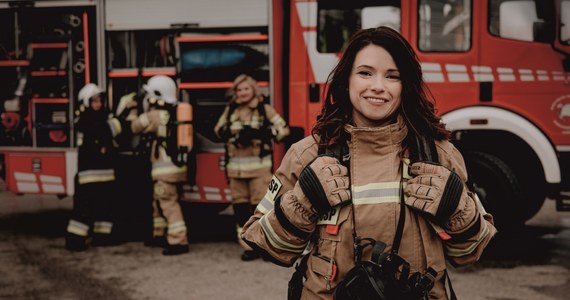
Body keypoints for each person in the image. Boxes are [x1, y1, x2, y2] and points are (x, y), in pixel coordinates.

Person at [241, 26, 497, 299]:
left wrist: (456, 209)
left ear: (405, 85)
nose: (378, 86)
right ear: (346, 80)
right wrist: (302, 203)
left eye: (392, 76)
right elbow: (268, 245)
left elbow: (470, 252)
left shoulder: (440, 156)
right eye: (365, 73)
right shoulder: (307, 156)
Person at [213, 74, 290, 261]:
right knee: (240, 210)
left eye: (246, 89)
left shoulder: (264, 109)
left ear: (253, 90)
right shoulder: (230, 110)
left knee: (262, 210)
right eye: (239, 90)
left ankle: (265, 246)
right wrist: (229, 133)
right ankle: (248, 246)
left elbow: (284, 130)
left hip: (259, 170)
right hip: (235, 171)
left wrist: (262, 133)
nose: (242, 93)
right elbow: (217, 130)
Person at [129, 75, 191, 256]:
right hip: (177, 168)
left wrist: (133, 109)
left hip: (163, 170)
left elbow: (134, 127)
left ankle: (179, 241)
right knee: (159, 202)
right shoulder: (174, 112)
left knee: (168, 203)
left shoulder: (154, 116)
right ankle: (159, 234)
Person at [65, 83, 123, 251]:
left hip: (105, 173)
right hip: (89, 174)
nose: (98, 104)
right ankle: (75, 240)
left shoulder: (102, 117)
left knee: (105, 206)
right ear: (86, 103)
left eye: (99, 101)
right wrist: (121, 118)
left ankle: (102, 236)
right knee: (84, 209)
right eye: (94, 101)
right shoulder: (85, 119)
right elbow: (107, 130)